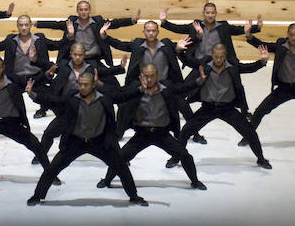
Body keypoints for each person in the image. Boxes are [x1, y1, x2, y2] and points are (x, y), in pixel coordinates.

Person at [26, 71, 148, 207]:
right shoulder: (72, 97)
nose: (82, 88)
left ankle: (134, 196)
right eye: (80, 84)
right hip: (75, 142)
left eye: (86, 85)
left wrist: (141, 89)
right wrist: (33, 95)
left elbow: (123, 96)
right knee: (52, 169)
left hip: (100, 142)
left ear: (94, 85)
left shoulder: (105, 97)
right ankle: (37, 196)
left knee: (122, 168)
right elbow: (53, 101)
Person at [97, 64, 206, 191]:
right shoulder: (135, 91)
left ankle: (195, 181)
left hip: (162, 134)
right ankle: (107, 180)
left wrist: (199, 81)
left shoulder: (166, 89)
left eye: (152, 76)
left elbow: (183, 88)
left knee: (185, 156)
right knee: (120, 157)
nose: (149, 80)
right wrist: (98, 84)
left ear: (157, 76)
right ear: (141, 77)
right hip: (142, 134)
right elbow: (116, 94)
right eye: (146, 76)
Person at [100, 20, 208, 145]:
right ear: (144, 32)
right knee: (124, 106)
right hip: (142, 85)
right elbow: (120, 44)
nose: (151, 33)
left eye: (153, 30)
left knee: (183, 106)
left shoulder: (166, 45)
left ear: (157, 32)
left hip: (164, 85)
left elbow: (184, 44)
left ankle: (195, 133)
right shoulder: (137, 44)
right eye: (148, 30)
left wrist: (198, 36)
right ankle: (118, 134)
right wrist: (105, 37)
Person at [169, 43, 273, 170]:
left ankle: (261, 159)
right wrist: (179, 52)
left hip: (227, 109)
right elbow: (189, 62)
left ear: (225, 56)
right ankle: (176, 157)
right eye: (216, 56)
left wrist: (262, 62)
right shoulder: (205, 66)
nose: (218, 59)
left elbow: (248, 68)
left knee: (250, 132)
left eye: (221, 57)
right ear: (212, 55)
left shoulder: (232, 66)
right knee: (185, 132)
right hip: (208, 108)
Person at [32, 42, 127, 164]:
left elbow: (105, 71)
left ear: (84, 55)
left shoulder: (91, 67)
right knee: (50, 132)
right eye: (75, 54)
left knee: (106, 134)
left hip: (89, 108)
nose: (77, 57)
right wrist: (35, 60)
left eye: (80, 55)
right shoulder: (63, 66)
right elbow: (48, 65)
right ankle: (40, 156)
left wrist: (120, 67)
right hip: (69, 109)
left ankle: (120, 159)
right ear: (71, 54)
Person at [35, 0, 139, 87]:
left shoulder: (97, 22)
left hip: (92, 59)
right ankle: (44, 106)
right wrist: (37, 23)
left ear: (89, 10)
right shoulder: (71, 23)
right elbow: (55, 24)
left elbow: (115, 23)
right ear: (77, 11)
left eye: (86, 9)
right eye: (81, 10)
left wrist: (132, 20)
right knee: (58, 82)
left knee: (111, 81)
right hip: (73, 59)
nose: (83, 12)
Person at [159, 4, 261, 67]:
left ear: (216, 13)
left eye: (212, 13)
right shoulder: (196, 25)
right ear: (204, 13)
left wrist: (257, 27)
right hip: (198, 63)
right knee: (187, 90)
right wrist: (164, 22)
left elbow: (240, 29)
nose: (210, 15)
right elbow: (178, 28)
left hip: (219, 63)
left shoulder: (223, 26)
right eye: (208, 13)